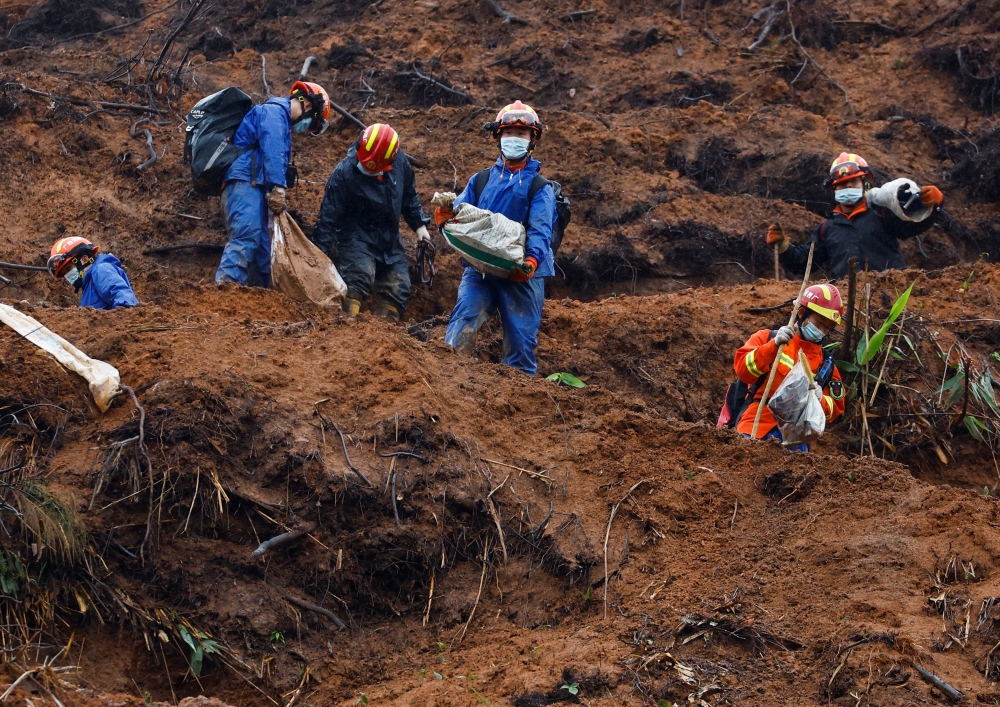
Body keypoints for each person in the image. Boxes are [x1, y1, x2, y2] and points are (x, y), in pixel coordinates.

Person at [437, 101, 556, 375]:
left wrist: (531, 262)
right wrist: (446, 218)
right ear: (497, 137)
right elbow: (461, 216)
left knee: (520, 345)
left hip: (522, 274)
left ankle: (517, 400)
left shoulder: (540, 188)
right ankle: (450, 385)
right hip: (481, 271)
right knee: (461, 326)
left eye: (521, 134)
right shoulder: (479, 181)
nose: (514, 139)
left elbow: (541, 230)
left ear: (532, 140)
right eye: (508, 133)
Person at [215, 81, 331, 287]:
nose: (307, 130)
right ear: (308, 106)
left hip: (256, 186)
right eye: (312, 123)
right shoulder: (273, 113)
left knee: (263, 254)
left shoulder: (282, 123)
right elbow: (273, 150)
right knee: (246, 238)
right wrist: (278, 187)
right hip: (244, 183)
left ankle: (260, 301)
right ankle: (224, 293)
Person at [310, 123, 432, 320]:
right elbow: (327, 219)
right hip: (355, 235)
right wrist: (317, 259)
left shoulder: (399, 162)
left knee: (398, 287)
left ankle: (383, 333)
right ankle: (345, 326)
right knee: (358, 278)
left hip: (389, 239)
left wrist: (419, 225)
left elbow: (409, 195)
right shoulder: (344, 173)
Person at [767, 152, 944, 279]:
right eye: (843, 184)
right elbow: (805, 263)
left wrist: (933, 205)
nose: (849, 187)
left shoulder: (880, 212)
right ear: (834, 188)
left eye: (854, 181)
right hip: (849, 305)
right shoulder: (827, 228)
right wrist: (784, 247)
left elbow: (910, 226)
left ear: (864, 183)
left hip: (891, 294)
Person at [734, 284, 846, 451]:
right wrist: (772, 347)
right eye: (820, 322)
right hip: (756, 427)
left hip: (795, 441)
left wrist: (819, 399)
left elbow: (835, 410)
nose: (822, 331)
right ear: (801, 313)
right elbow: (743, 370)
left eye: (828, 327)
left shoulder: (826, 364)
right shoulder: (767, 338)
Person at [47, 237, 138, 310]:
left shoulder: (101, 270)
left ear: (85, 259)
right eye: (64, 273)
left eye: (68, 268)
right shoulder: (88, 287)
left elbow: (126, 304)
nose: (67, 275)